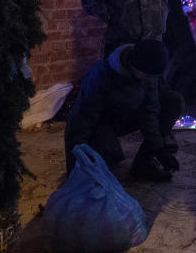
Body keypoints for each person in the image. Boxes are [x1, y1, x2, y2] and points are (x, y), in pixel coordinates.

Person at [81, 0, 179, 152]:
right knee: (119, 95)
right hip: (122, 41)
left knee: (155, 93)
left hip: (152, 38)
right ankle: (108, 139)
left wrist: (161, 17)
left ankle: (157, 139)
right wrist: (114, 16)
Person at [64, 40, 184, 182]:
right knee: (111, 154)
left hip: (128, 116)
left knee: (173, 101)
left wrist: (158, 149)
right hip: (102, 122)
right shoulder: (100, 75)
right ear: (133, 66)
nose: (151, 81)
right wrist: (75, 167)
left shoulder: (148, 77)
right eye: (147, 76)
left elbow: (149, 112)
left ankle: (143, 166)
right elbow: (81, 120)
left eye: (154, 77)